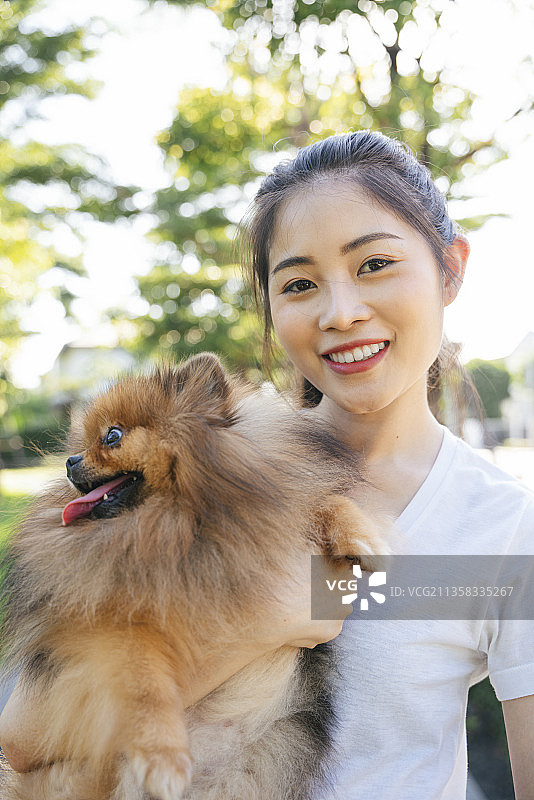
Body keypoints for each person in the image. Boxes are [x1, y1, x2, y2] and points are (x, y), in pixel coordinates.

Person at [2, 130, 534, 798]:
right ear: (273, 305)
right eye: (301, 283)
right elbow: (22, 741)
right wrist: (268, 619)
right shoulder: (200, 480)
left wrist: (322, 592)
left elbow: (356, 598)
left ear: (450, 269)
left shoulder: (504, 524)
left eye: (374, 264)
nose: (342, 312)